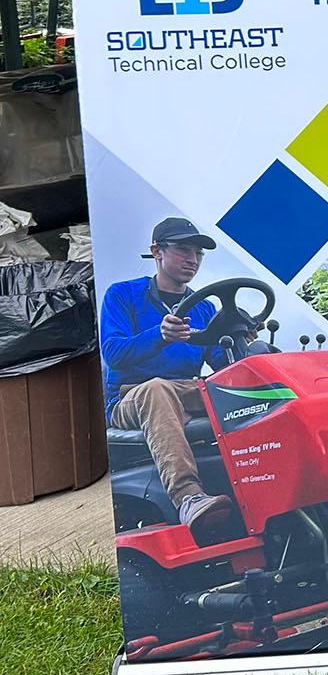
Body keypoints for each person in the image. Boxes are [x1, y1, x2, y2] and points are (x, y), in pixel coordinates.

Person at [101, 218, 236, 540]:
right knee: (157, 389)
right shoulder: (123, 295)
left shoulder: (203, 308)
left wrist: (244, 345)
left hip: (186, 391)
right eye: (183, 250)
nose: (193, 259)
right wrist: (159, 336)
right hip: (130, 396)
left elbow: (221, 363)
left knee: (255, 389)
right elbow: (113, 352)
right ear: (156, 252)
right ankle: (188, 496)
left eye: (199, 254)